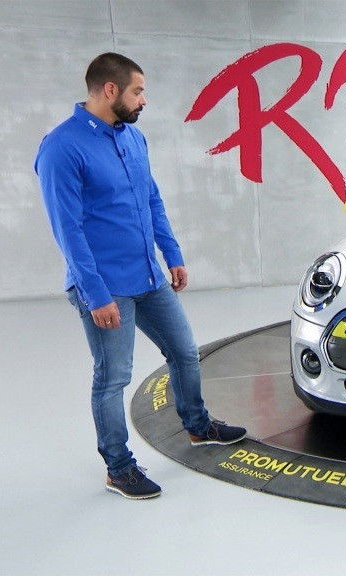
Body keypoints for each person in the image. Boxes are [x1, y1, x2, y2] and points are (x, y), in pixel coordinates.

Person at [35, 53, 246, 500]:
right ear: (110, 90)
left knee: (185, 353)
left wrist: (172, 253)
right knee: (113, 378)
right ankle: (119, 468)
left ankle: (198, 426)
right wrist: (96, 296)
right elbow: (67, 230)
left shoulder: (133, 137)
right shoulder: (61, 148)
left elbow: (151, 199)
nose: (143, 100)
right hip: (105, 286)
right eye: (138, 91)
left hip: (148, 277)